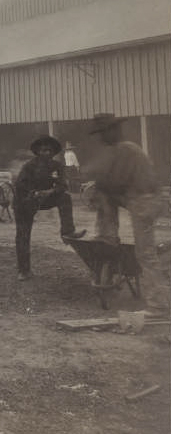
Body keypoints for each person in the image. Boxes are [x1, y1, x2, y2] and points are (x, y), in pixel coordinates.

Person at [85, 113, 169, 315]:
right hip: (137, 198)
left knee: (145, 253)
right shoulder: (119, 149)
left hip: (145, 200)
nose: (101, 138)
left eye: (103, 133)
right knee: (102, 192)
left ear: (113, 130)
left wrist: (95, 182)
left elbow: (115, 181)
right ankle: (108, 236)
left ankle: (158, 305)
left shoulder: (126, 150)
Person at [13, 135, 84, 282]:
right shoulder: (29, 166)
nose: (47, 153)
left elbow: (62, 185)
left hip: (45, 197)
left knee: (65, 197)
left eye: (50, 151)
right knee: (23, 235)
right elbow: (20, 186)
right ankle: (23, 270)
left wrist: (49, 192)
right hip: (25, 201)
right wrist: (33, 193)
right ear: (38, 151)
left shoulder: (57, 166)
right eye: (44, 150)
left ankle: (67, 231)